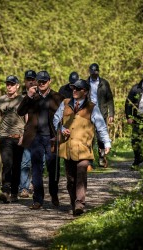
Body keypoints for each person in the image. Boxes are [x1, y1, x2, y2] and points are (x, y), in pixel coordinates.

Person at [53, 79, 111, 216]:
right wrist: (61, 128)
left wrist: (106, 143)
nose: (74, 91)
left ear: (84, 92)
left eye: (77, 89)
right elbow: (56, 118)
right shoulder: (65, 103)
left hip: (84, 149)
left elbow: (101, 127)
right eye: (73, 88)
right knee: (70, 180)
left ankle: (80, 203)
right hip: (67, 148)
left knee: (81, 173)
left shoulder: (92, 107)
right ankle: (74, 203)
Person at [17, 70, 64, 209]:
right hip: (35, 138)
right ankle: (37, 200)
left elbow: (64, 117)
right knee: (36, 169)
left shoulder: (57, 97)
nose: (42, 83)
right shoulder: (32, 96)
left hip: (52, 137)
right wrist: (28, 97)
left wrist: (61, 134)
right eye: (40, 81)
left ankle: (54, 194)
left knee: (52, 168)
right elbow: (20, 112)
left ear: (49, 81)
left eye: (44, 81)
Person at [0, 75, 25, 203]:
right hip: (5, 137)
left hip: (19, 137)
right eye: (7, 84)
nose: (9, 86)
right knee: (7, 163)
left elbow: (27, 118)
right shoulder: (0, 101)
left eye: (12, 84)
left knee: (17, 166)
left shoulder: (22, 100)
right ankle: (5, 190)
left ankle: (15, 192)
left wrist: (25, 136)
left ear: (17, 86)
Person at [86, 63, 114, 168]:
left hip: (101, 113)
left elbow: (110, 100)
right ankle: (89, 160)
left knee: (100, 137)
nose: (94, 74)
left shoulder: (104, 83)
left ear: (98, 72)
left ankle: (102, 158)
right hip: (88, 113)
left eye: (96, 72)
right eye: (92, 72)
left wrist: (111, 113)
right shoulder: (85, 83)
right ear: (89, 72)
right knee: (89, 137)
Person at [18, 70, 37, 198]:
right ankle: (23, 188)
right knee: (25, 162)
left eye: (32, 79)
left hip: (38, 133)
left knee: (38, 162)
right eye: (28, 79)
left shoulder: (40, 95)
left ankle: (35, 185)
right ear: (24, 81)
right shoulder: (20, 97)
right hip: (25, 133)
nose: (30, 81)